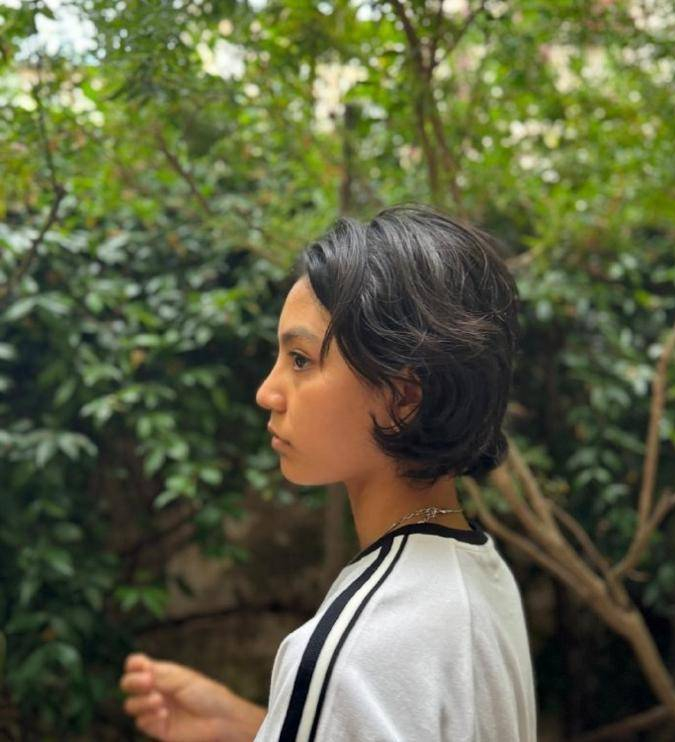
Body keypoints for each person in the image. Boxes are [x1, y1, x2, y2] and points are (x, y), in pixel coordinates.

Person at [120, 203, 537, 741]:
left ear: (403, 398)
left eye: (300, 360)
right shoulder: (478, 576)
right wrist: (245, 726)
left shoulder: (357, 647)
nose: (266, 392)